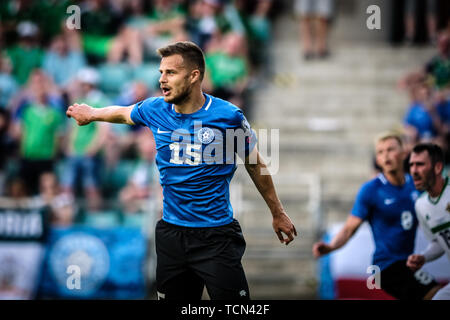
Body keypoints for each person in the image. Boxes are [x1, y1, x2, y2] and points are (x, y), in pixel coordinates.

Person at [66, 41, 297, 300]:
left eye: (171, 73)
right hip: (171, 235)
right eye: (161, 73)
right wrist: (92, 113)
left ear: (194, 76)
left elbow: (255, 163)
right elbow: (122, 113)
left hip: (216, 237)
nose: (162, 80)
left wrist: (277, 212)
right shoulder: (155, 109)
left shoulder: (227, 116)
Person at [312, 132, 441, 299]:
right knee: (436, 294)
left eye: (390, 150)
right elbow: (349, 228)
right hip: (386, 267)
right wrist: (330, 247)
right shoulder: (371, 190)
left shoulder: (415, 186)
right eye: (380, 152)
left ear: (403, 153)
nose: (385, 155)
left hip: (407, 264)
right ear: (378, 159)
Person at [407, 143, 450, 300]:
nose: (413, 171)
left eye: (420, 164)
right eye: (411, 165)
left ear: (438, 168)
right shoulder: (421, 205)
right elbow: (440, 241)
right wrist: (424, 257)